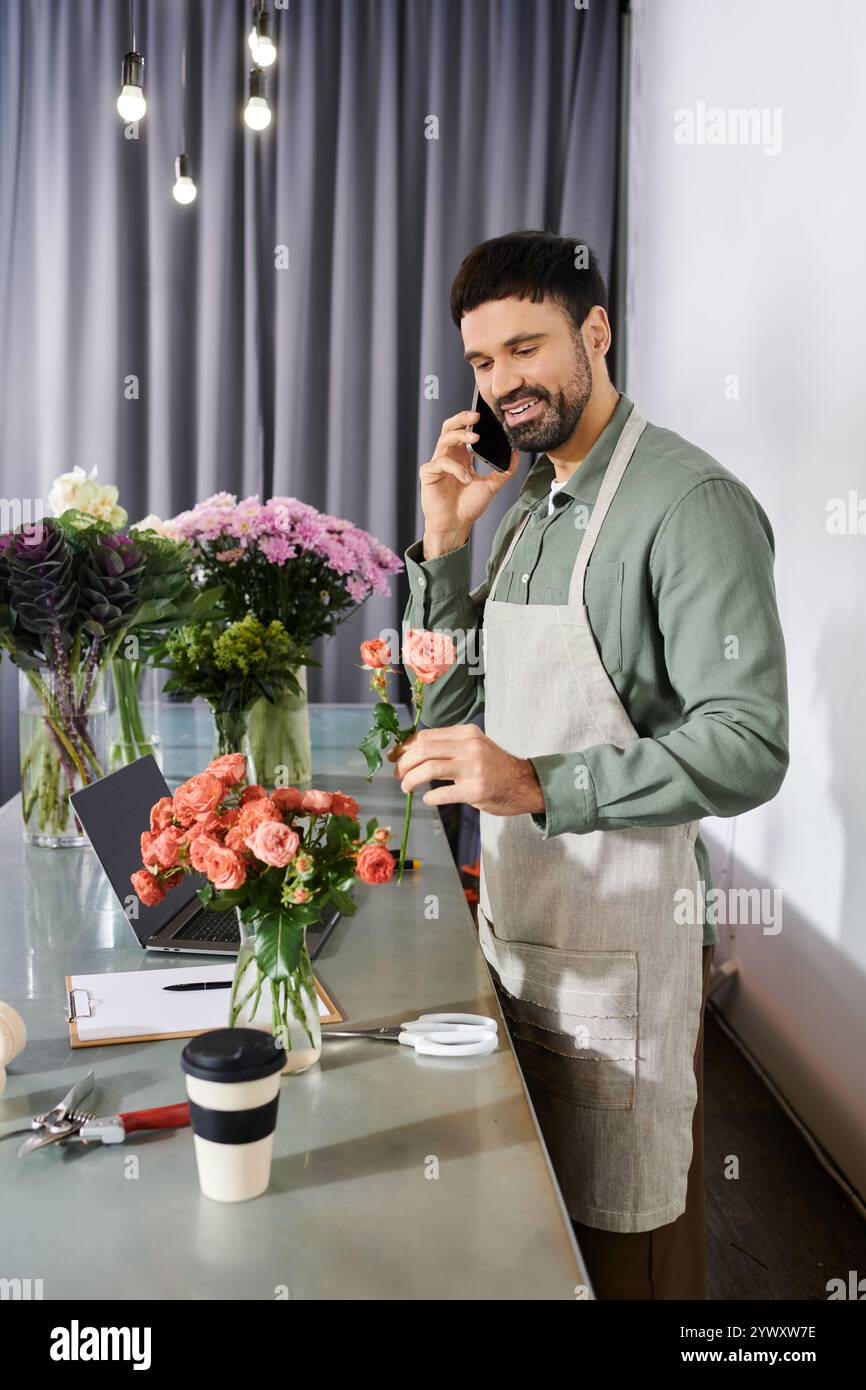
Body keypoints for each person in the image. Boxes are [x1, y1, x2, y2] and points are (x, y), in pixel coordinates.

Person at [390, 229, 789, 1299]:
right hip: (519, 942)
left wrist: (538, 785)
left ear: (594, 333)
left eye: (526, 348)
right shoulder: (527, 508)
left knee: (631, 1256)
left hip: (624, 958)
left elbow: (748, 744)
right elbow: (447, 706)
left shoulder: (686, 504)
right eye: (480, 363)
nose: (502, 382)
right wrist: (439, 548)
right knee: (540, 1249)